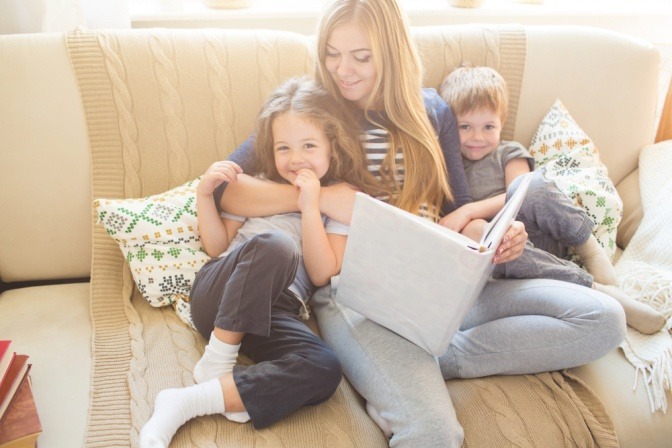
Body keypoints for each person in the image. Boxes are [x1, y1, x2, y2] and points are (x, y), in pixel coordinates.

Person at [211, 1, 627, 446]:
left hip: (445, 278)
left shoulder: (432, 112)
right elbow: (226, 190)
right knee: (434, 433)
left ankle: (438, 356)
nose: (342, 69)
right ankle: (398, 361)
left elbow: (457, 207)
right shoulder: (314, 108)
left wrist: (495, 238)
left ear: (391, 52)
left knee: (603, 319)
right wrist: (326, 196)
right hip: (361, 294)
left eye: (361, 56)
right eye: (332, 53)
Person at [139, 76, 385, 448]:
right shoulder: (254, 183)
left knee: (324, 368)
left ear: (332, 149)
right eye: (283, 147)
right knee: (276, 245)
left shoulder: (337, 201)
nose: (295, 157)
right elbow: (215, 245)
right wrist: (204, 197)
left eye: (308, 145)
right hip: (219, 297)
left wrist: (310, 206)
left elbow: (321, 272)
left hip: (275, 312)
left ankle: (186, 401)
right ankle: (218, 360)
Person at [438, 63, 666, 335]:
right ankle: (596, 290)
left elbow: (518, 197)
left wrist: (469, 210)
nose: (477, 136)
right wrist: (470, 222)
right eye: (466, 126)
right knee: (476, 233)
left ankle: (591, 252)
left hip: (537, 231)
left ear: (502, 122)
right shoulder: (447, 166)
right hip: (508, 259)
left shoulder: (508, 152)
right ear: (451, 127)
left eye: (488, 126)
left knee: (530, 184)